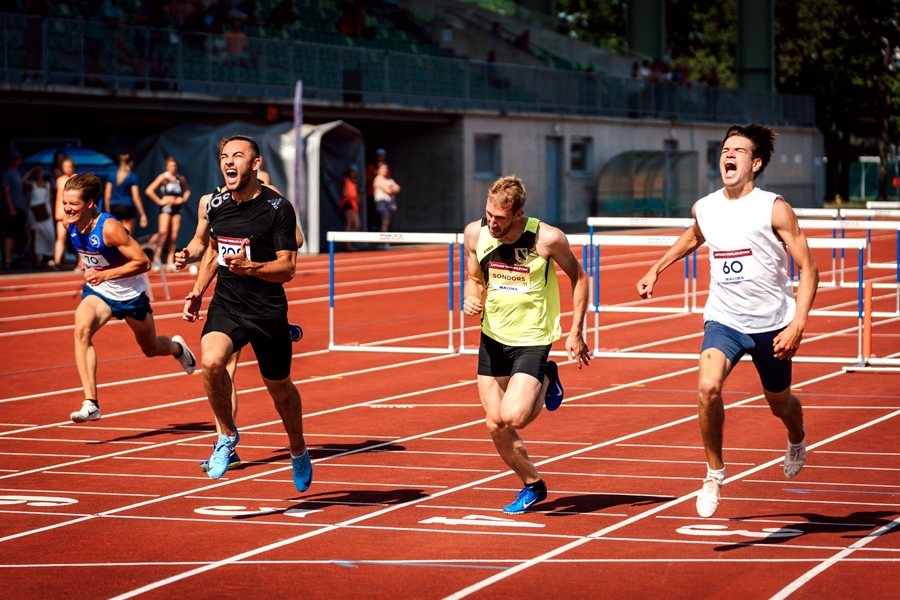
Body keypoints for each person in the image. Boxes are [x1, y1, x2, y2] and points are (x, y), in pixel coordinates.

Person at [636, 123, 817, 518]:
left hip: (772, 323)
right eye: (724, 150)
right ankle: (714, 473)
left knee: (780, 404)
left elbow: (808, 267)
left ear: (755, 163)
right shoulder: (706, 206)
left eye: (737, 150)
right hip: (725, 319)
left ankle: (797, 436)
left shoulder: (774, 208)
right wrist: (656, 269)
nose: (728, 155)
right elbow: (693, 236)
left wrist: (797, 324)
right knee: (707, 388)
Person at [182, 135, 311, 492]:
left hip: (268, 311)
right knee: (211, 362)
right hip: (227, 305)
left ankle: (298, 449)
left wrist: (252, 267)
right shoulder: (215, 204)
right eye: (224, 156)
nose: (228, 162)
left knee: (280, 389)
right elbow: (210, 249)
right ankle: (226, 435)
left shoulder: (277, 208)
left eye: (237, 156)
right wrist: (197, 290)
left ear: (255, 164)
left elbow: (287, 268)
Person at [463, 174, 590, 514]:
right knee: (495, 424)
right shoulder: (475, 233)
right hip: (492, 337)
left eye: (500, 218)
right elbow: (474, 277)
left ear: (518, 214)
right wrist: (470, 297)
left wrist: (576, 330)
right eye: (489, 214)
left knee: (514, 416)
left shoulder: (547, 238)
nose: (492, 223)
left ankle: (548, 375)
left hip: (532, 339)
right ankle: (533, 485)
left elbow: (580, 277)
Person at [63, 173, 196, 423]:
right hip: (100, 294)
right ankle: (91, 403)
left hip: (130, 294)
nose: (68, 209)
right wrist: (88, 260)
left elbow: (144, 262)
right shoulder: (69, 224)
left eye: (73, 204)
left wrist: (106, 274)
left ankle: (178, 348)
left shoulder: (110, 227)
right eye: (64, 204)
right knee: (81, 330)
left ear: (90, 203)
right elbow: (90, 250)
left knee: (151, 348)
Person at [145, 156, 190, 271]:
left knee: (174, 237)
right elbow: (149, 190)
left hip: (177, 209)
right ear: (166, 166)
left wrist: (183, 199)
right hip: (165, 208)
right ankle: (156, 260)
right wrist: (160, 201)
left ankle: (170, 262)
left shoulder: (180, 178)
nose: (173, 168)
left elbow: (187, 191)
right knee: (163, 234)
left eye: (174, 166)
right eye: (170, 166)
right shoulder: (163, 177)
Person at [105, 153, 148, 235]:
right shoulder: (132, 176)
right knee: (127, 237)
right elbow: (136, 197)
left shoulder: (111, 175)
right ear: (131, 163)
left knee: (115, 236)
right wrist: (143, 214)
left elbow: (107, 196)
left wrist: (108, 212)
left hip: (114, 207)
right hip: (127, 208)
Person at [23, 164, 54, 268]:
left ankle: (47, 257)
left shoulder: (47, 184)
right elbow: (23, 180)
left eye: (41, 171)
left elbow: (49, 200)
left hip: (45, 212)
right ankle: (36, 261)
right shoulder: (32, 183)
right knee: (35, 236)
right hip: (34, 212)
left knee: (49, 235)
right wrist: (32, 170)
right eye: (38, 171)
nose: (40, 173)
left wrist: (51, 212)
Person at [2, 152, 28, 270]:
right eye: (14, 158)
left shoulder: (17, 173)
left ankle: (12, 258)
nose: (17, 160)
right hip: (12, 208)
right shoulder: (7, 173)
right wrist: (10, 207)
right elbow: (6, 191)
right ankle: (8, 260)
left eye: (18, 158)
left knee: (19, 234)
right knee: (10, 235)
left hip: (20, 207)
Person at [51, 157, 76, 268]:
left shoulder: (77, 179)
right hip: (62, 213)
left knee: (77, 238)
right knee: (61, 237)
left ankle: (82, 263)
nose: (68, 169)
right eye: (65, 166)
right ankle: (57, 262)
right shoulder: (60, 180)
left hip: (75, 213)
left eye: (70, 166)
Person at [372, 163, 399, 241]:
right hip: (382, 202)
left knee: (386, 222)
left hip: (389, 203)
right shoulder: (378, 178)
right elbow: (388, 191)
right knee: (384, 222)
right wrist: (392, 188)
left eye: (386, 168)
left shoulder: (388, 179)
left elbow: (398, 188)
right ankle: (382, 242)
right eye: (382, 168)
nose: (384, 170)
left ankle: (384, 242)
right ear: (378, 170)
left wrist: (392, 189)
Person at [339, 164, 361, 251]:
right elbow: (343, 193)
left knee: (356, 225)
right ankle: (347, 244)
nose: (353, 173)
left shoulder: (354, 182)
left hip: (353, 205)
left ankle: (348, 242)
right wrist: (354, 198)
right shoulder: (346, 181)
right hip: (348, 204)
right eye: (352, 171)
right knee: (350, 224)